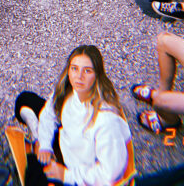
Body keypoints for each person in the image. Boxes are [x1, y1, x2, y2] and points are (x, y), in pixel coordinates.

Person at [14, 45, 135, 186]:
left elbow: (110, 176)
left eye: (87, 71)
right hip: (66, 145)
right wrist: (45, 145)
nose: (79, 76)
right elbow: (48, 113)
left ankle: (36, 146)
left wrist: (66, 175)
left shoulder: (106, 120)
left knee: (34, 175)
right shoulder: (69, 91)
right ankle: (38, 141)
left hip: (80, 172)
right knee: (25, 99)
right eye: (74, 68)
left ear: (97, 75)